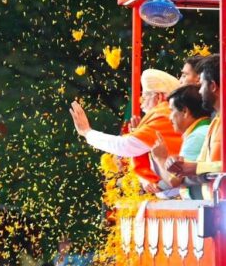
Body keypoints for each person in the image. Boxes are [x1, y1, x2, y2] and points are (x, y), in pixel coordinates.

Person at [70, 68, 182, 192]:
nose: (141, 104)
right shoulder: (166, 114)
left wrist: (87, 132)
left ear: (159, 97)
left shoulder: (164, 114)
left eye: (144, 97)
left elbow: (125, 146)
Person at [166, 55, 223, 198]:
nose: (199, 91)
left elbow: (204, 167)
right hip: (215, 206)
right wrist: (180, 164)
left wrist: (195, 168)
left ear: (213, 86)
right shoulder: (215, 123)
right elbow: (201, 164)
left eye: (202, 84)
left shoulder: (204, 128)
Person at [150, 84, 212, 199]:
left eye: (172, 111)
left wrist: (160, 158)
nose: (170, 117)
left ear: (184, 111)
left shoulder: (197, 136)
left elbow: (174, 181)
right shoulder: (203, 129)